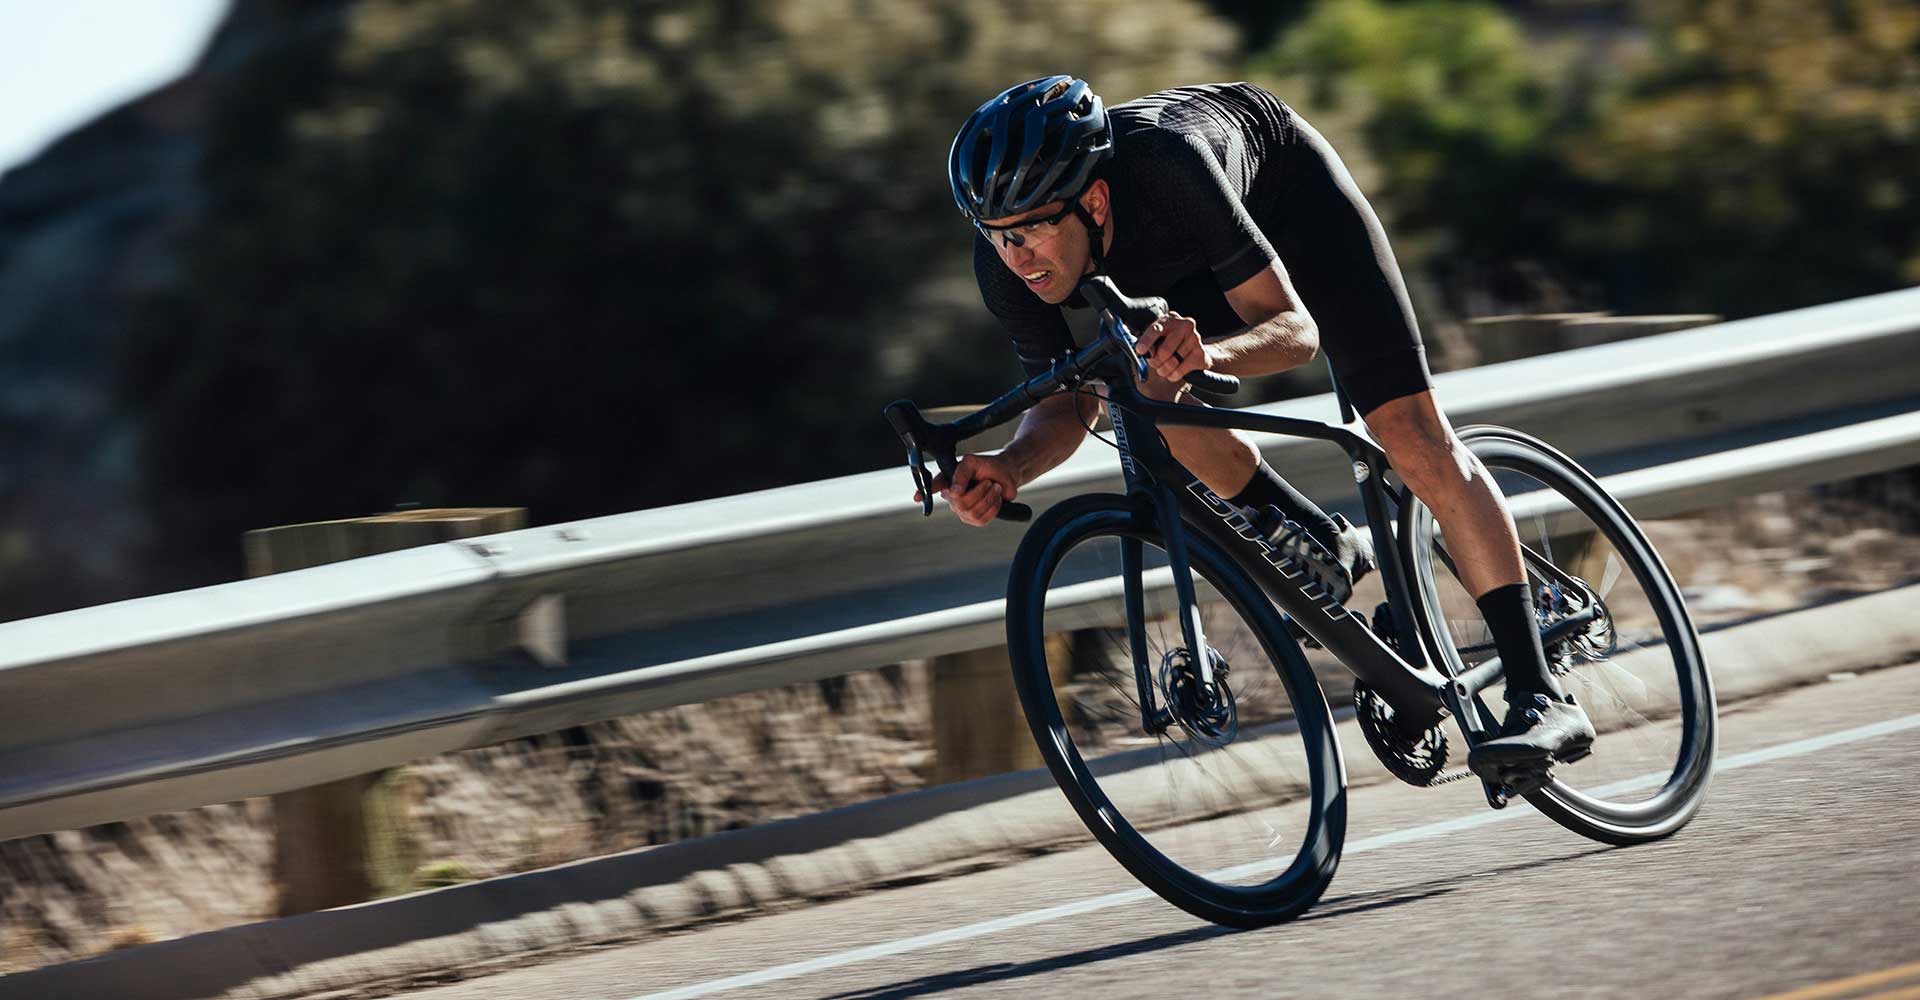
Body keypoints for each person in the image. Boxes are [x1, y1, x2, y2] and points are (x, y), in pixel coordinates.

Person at [932, 76, 1593, 788]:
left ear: (1091, 201)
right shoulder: (1006, 264)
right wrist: (1009, 466)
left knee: (1409, 435)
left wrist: (1210, 354)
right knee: (1150, 398)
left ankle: (1540, 694)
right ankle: (1311, 535)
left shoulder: (1167, 164)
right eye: (999, 236)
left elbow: (1295, 332)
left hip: (1291, 205)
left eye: (1030, 230)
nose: (1017, 255)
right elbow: (1067, 403)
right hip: (1180, 265)